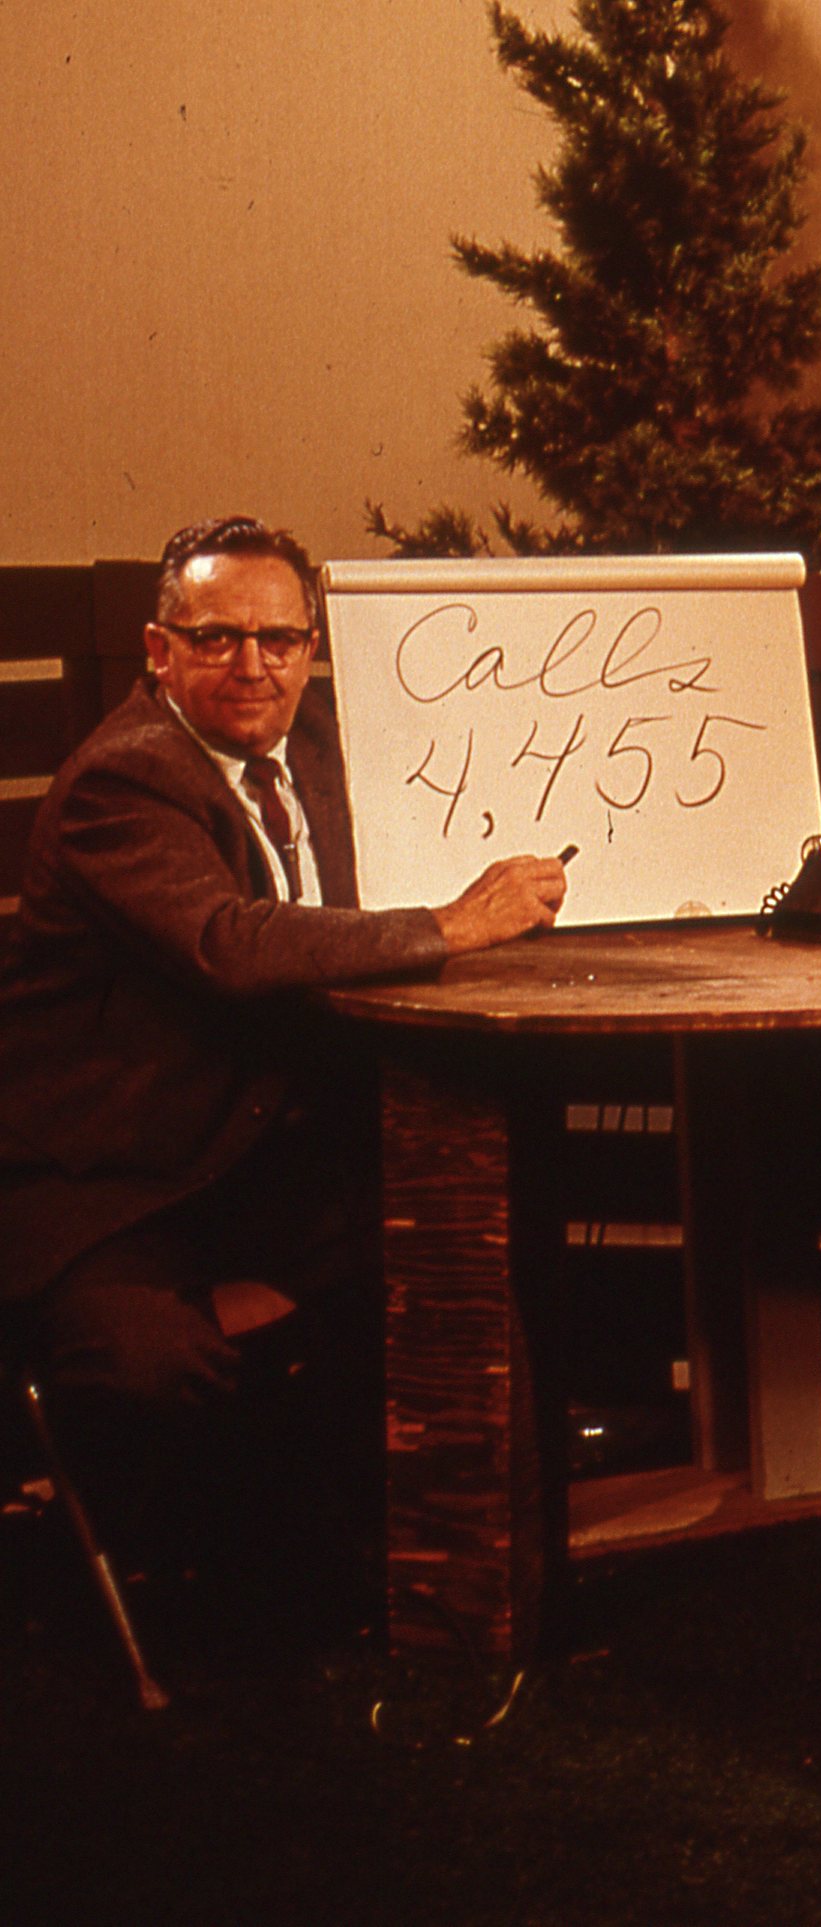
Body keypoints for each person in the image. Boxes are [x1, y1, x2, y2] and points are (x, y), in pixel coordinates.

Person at [0, 516, 567, 1601]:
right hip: (118, 1191)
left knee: (463, 1259)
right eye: (216, 638)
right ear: (159, 649)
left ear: (310, 647)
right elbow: (233, 942)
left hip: (266, 1167)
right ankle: (207, 1565)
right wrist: (453, 924)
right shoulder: (125, 780)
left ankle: (443, 1567)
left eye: (279, 639)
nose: (252, 665)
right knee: (154, 1366)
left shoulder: (320, 750)